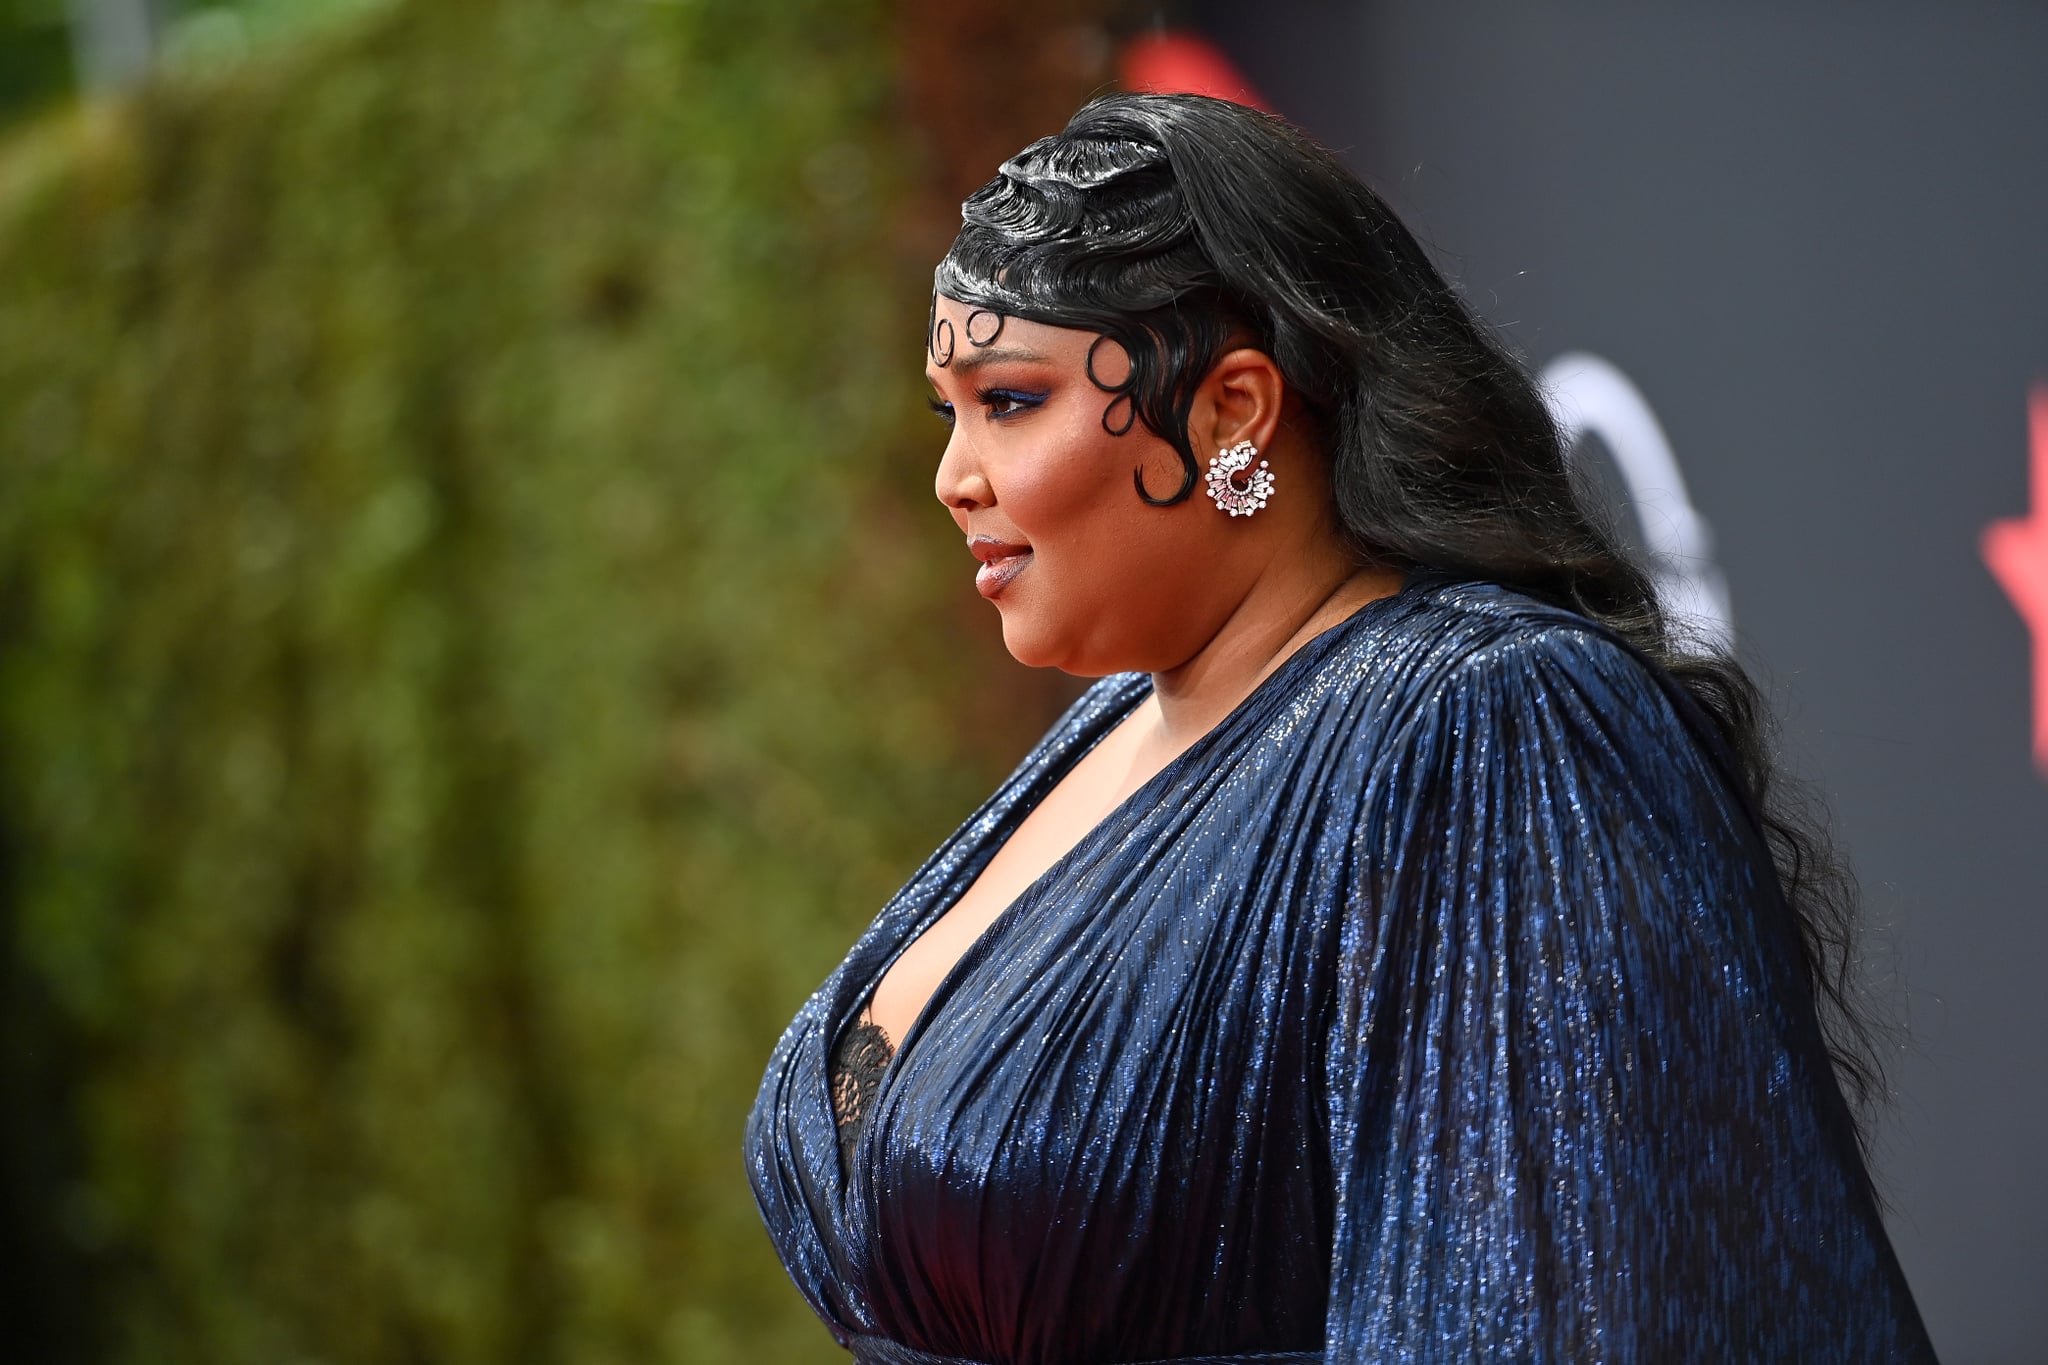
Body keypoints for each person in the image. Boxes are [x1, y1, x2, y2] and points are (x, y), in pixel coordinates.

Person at [745, 92, 1937, 1364]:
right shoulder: (1105, 728)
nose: (953, 478)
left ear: (1232, 411)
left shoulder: (1488, 723)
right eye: (949, 411)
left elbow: (1561, 1306)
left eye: (1012, 401)